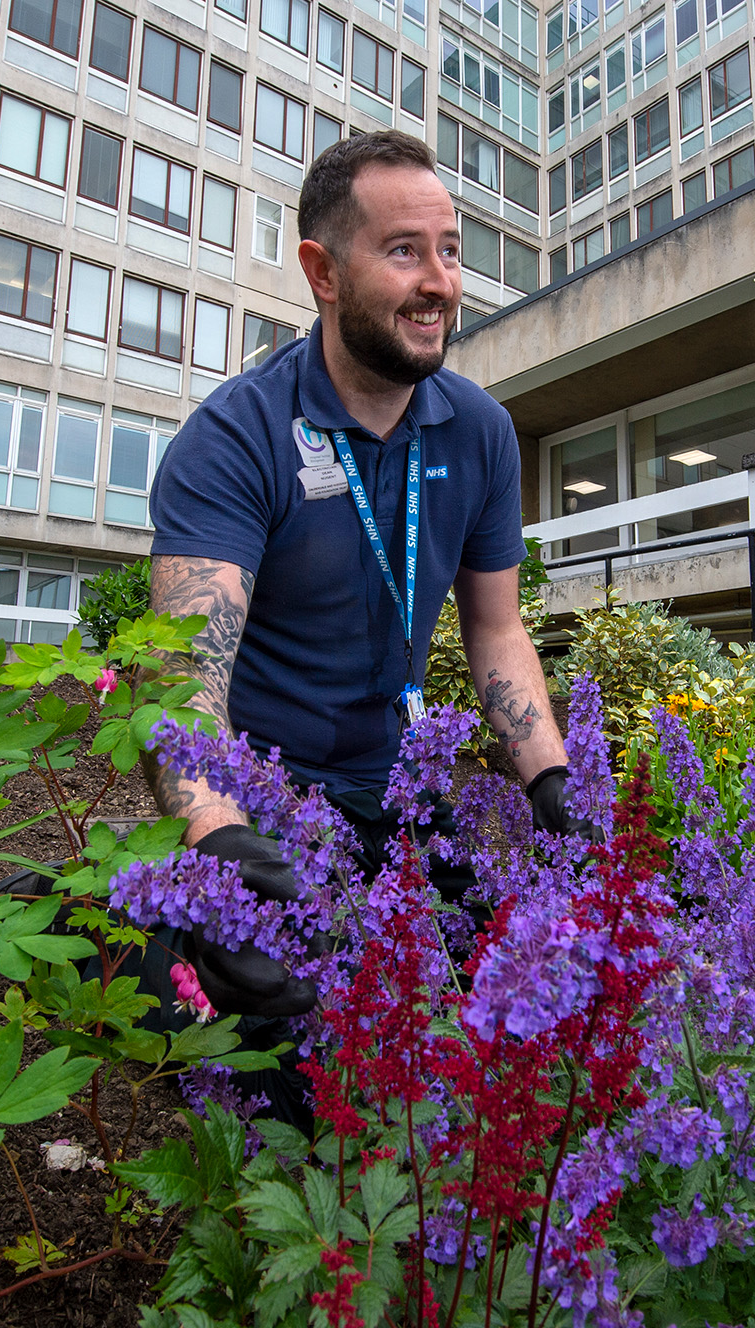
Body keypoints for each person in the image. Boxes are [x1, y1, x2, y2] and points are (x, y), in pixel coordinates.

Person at [138, 131, 579, 1082]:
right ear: (322, 271)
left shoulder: (482, 431)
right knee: (268, 1068)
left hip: (404, 799)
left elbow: (497, 630)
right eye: (404, 250)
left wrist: (550, 778)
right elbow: (180, 680)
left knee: (516, 1038)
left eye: (451, 250)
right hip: (270, 813)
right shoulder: (233, 438)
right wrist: (221, 842)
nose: (441, 282)